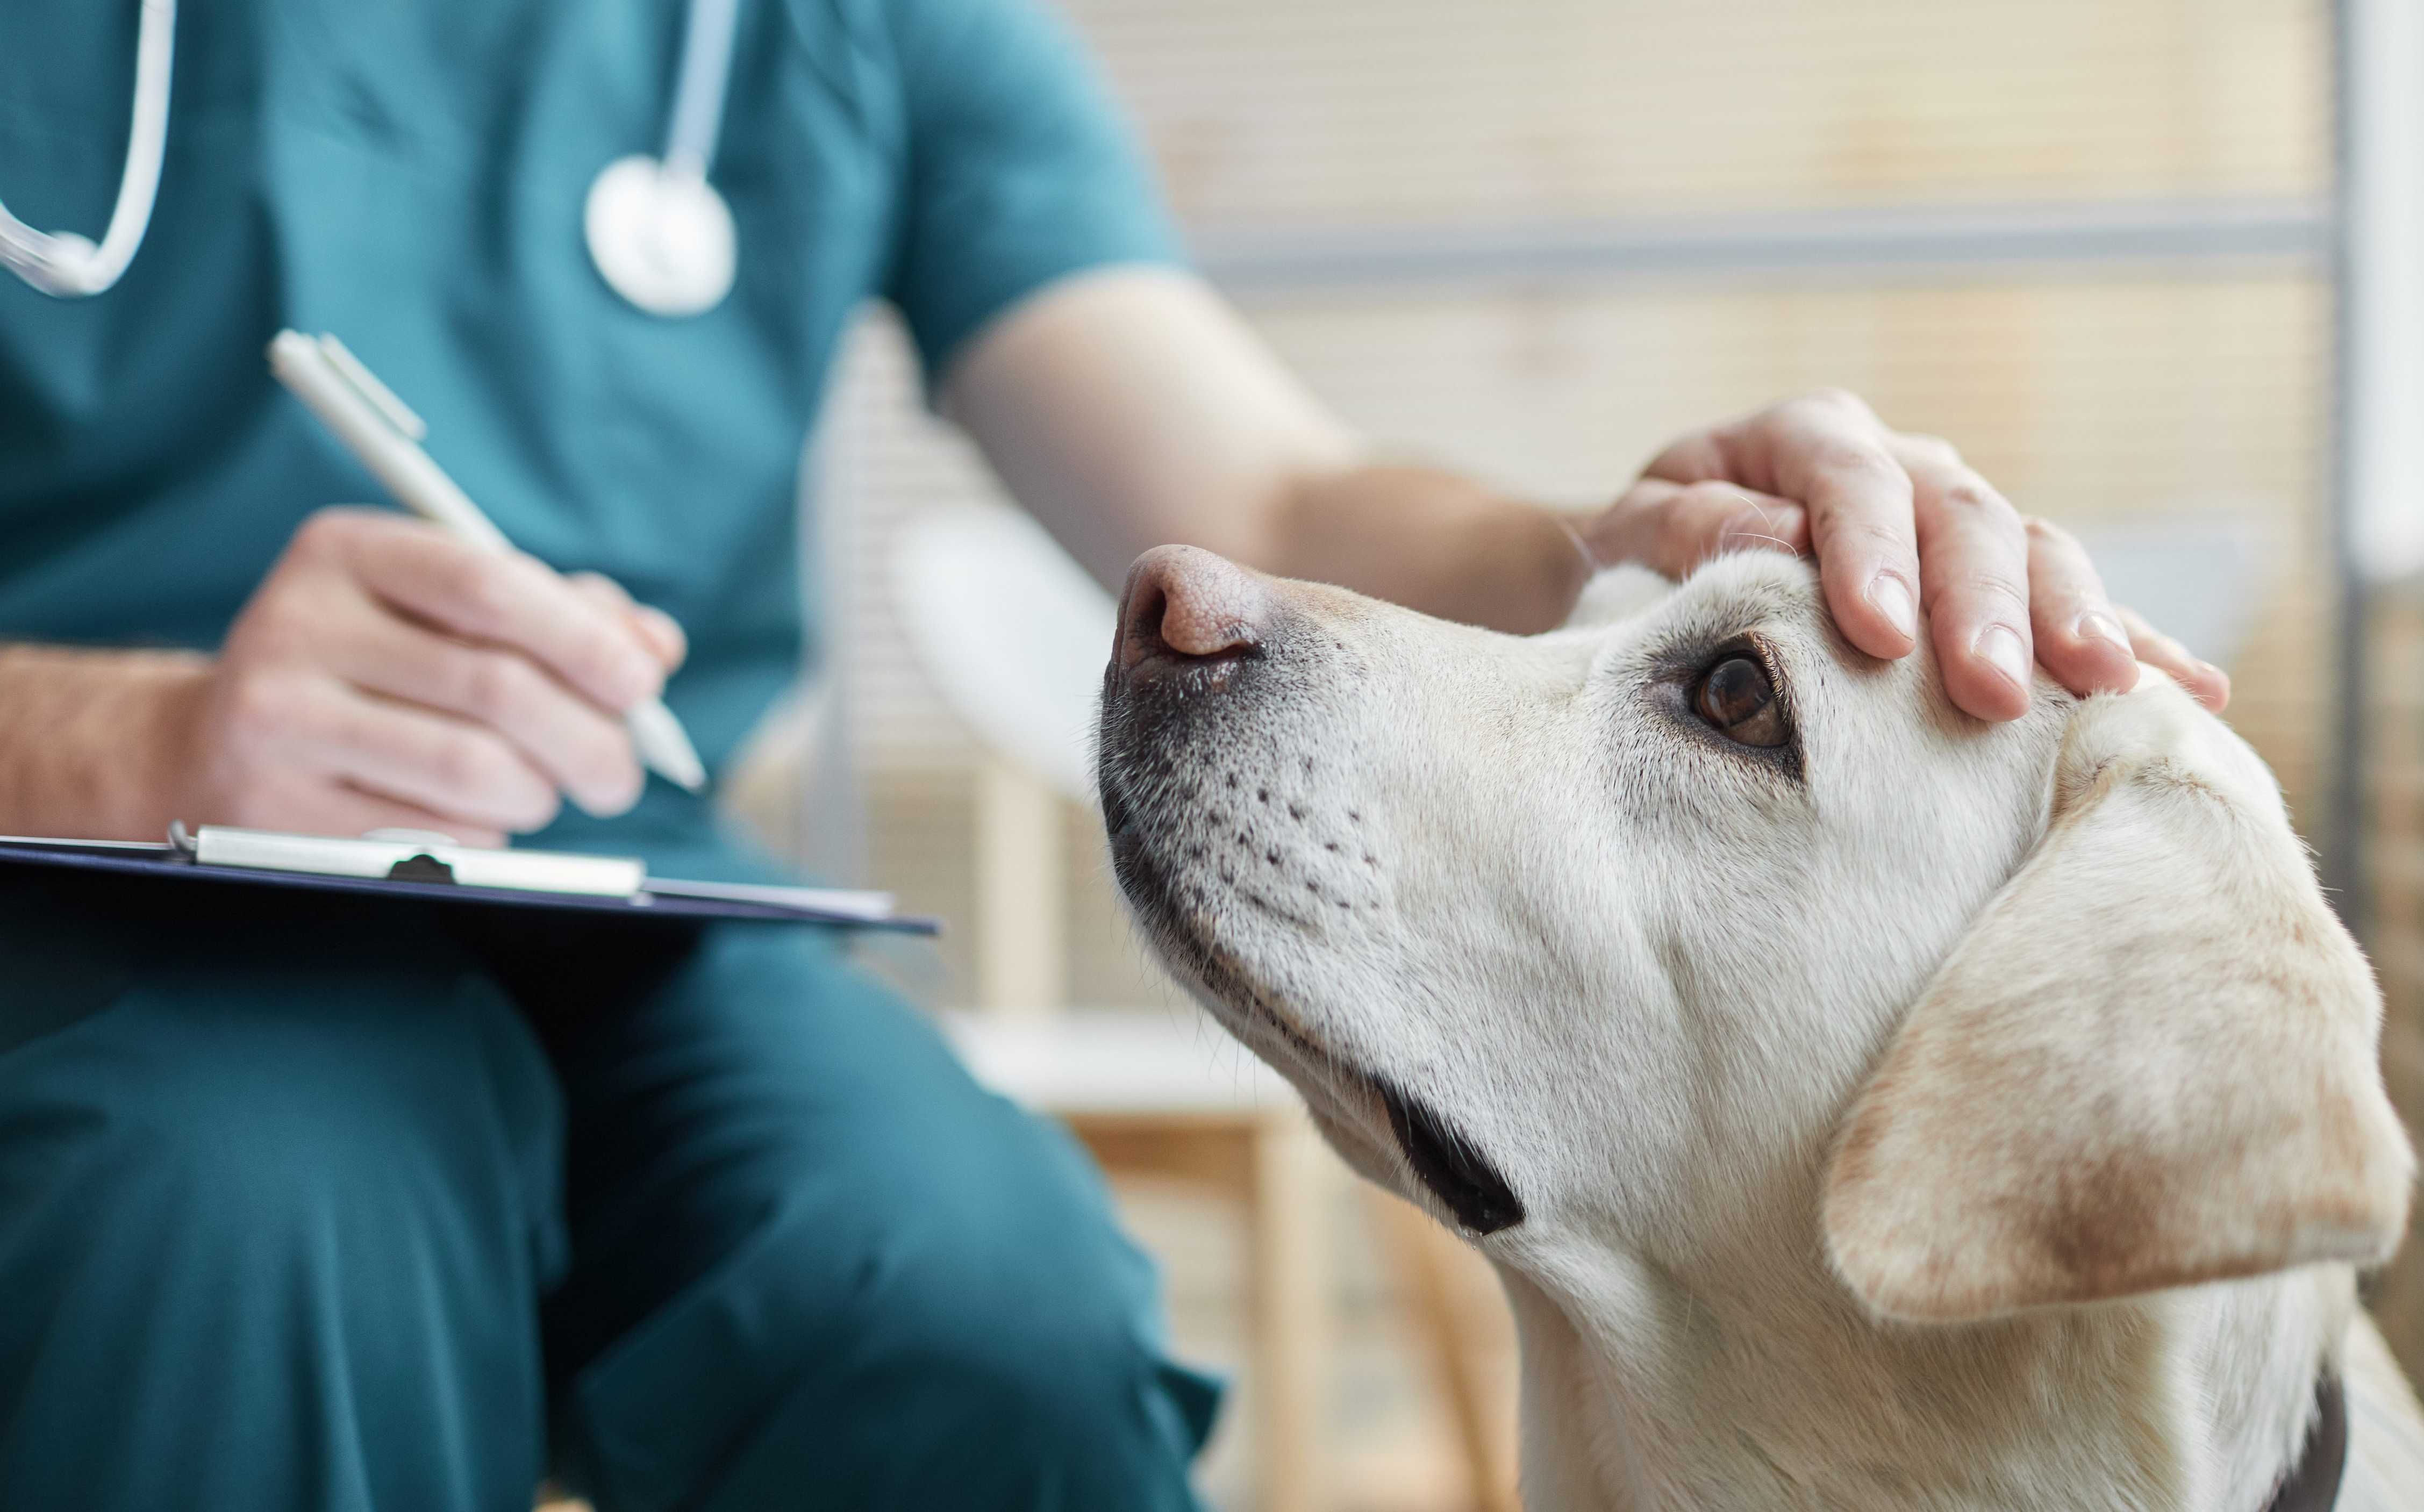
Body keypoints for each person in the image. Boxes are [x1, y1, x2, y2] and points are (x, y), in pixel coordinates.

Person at [0, 2, 2228, 1509]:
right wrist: (128, 730)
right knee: (239, 1221)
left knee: (988, 1312)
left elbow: (1263, 493)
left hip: (631, 897)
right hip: (74, 897)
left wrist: (1625, 536)